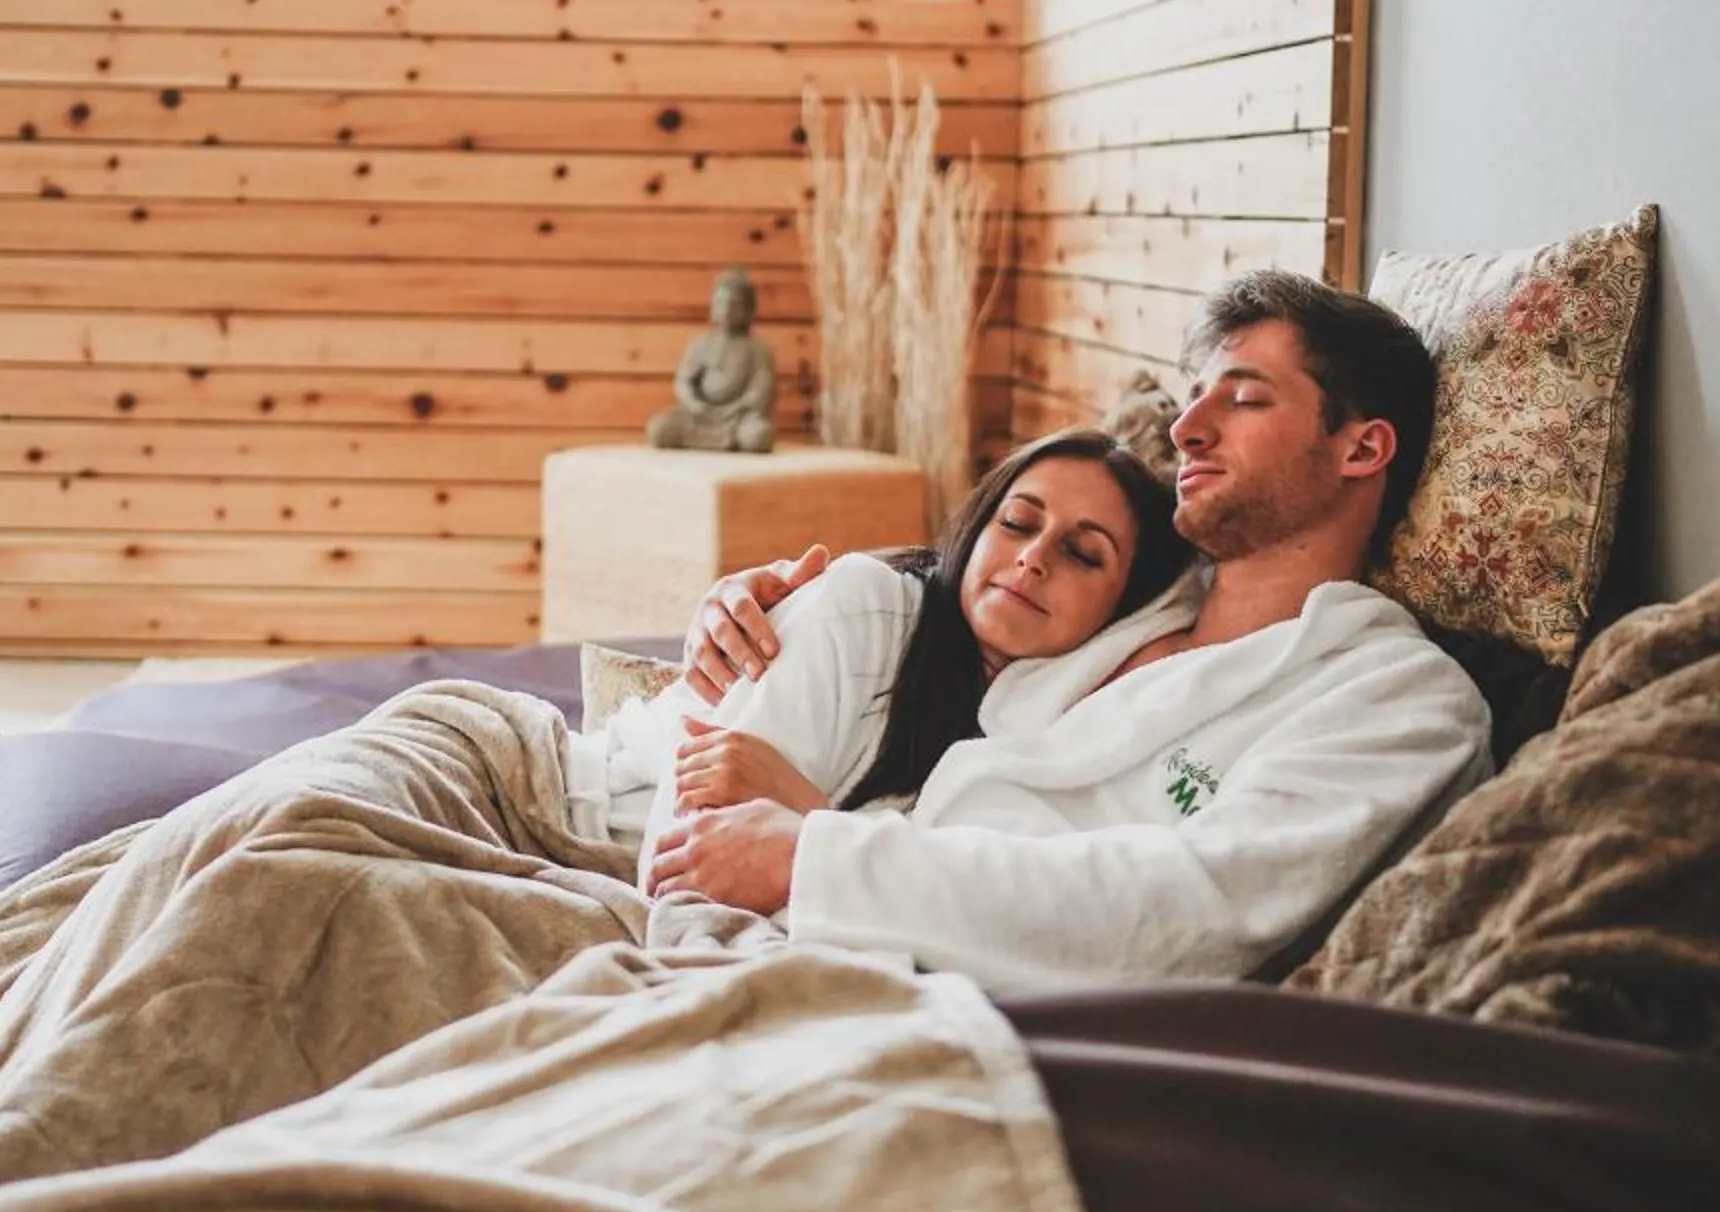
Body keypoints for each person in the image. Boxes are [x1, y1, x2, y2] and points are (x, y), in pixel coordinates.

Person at [645, 270, 1492, 995]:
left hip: (977, 998)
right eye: (1194, 397)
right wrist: (762, 600)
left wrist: (812, 854)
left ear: (1362, 449)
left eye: (1243, 399)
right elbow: (951, 602)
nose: (1186, 429)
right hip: (838, 915)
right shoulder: (1145, 601)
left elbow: (1195, 912)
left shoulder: (1395, 698)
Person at [609, 429, 1192, 884]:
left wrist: (808, 814)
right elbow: (685, 858)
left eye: (1083, 554)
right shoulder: (865, 606)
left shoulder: (1059, 728)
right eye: (1016, 522)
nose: (1033, 557)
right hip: (583, 804)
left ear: (1127, 609)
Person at [645, 264, 777, 450]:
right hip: (700, 416)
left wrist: (736, 408)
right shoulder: (701, 344)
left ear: (748, 310)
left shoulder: (758, 349)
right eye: (720, 303)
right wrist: (694, 404)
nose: (726, 310)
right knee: (658, 428)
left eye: (734, 304)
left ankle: (732, 439)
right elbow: (683, 382)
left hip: (736, 419)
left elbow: (760, 391)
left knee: (759, 436)